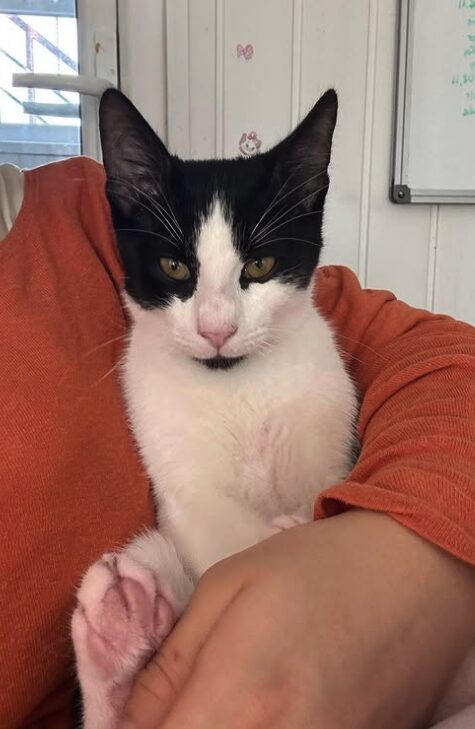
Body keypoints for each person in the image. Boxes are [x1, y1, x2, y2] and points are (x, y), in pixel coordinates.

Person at [0, 156, 474, 729]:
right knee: (159, 558)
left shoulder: (73, 216)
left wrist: (397, 563)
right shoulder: (144, 355)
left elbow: (441, 357)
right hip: (211, 656)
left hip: (371, 644)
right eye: (176, 266)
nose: (217, 323)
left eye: (260, 266)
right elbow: (195, 512)